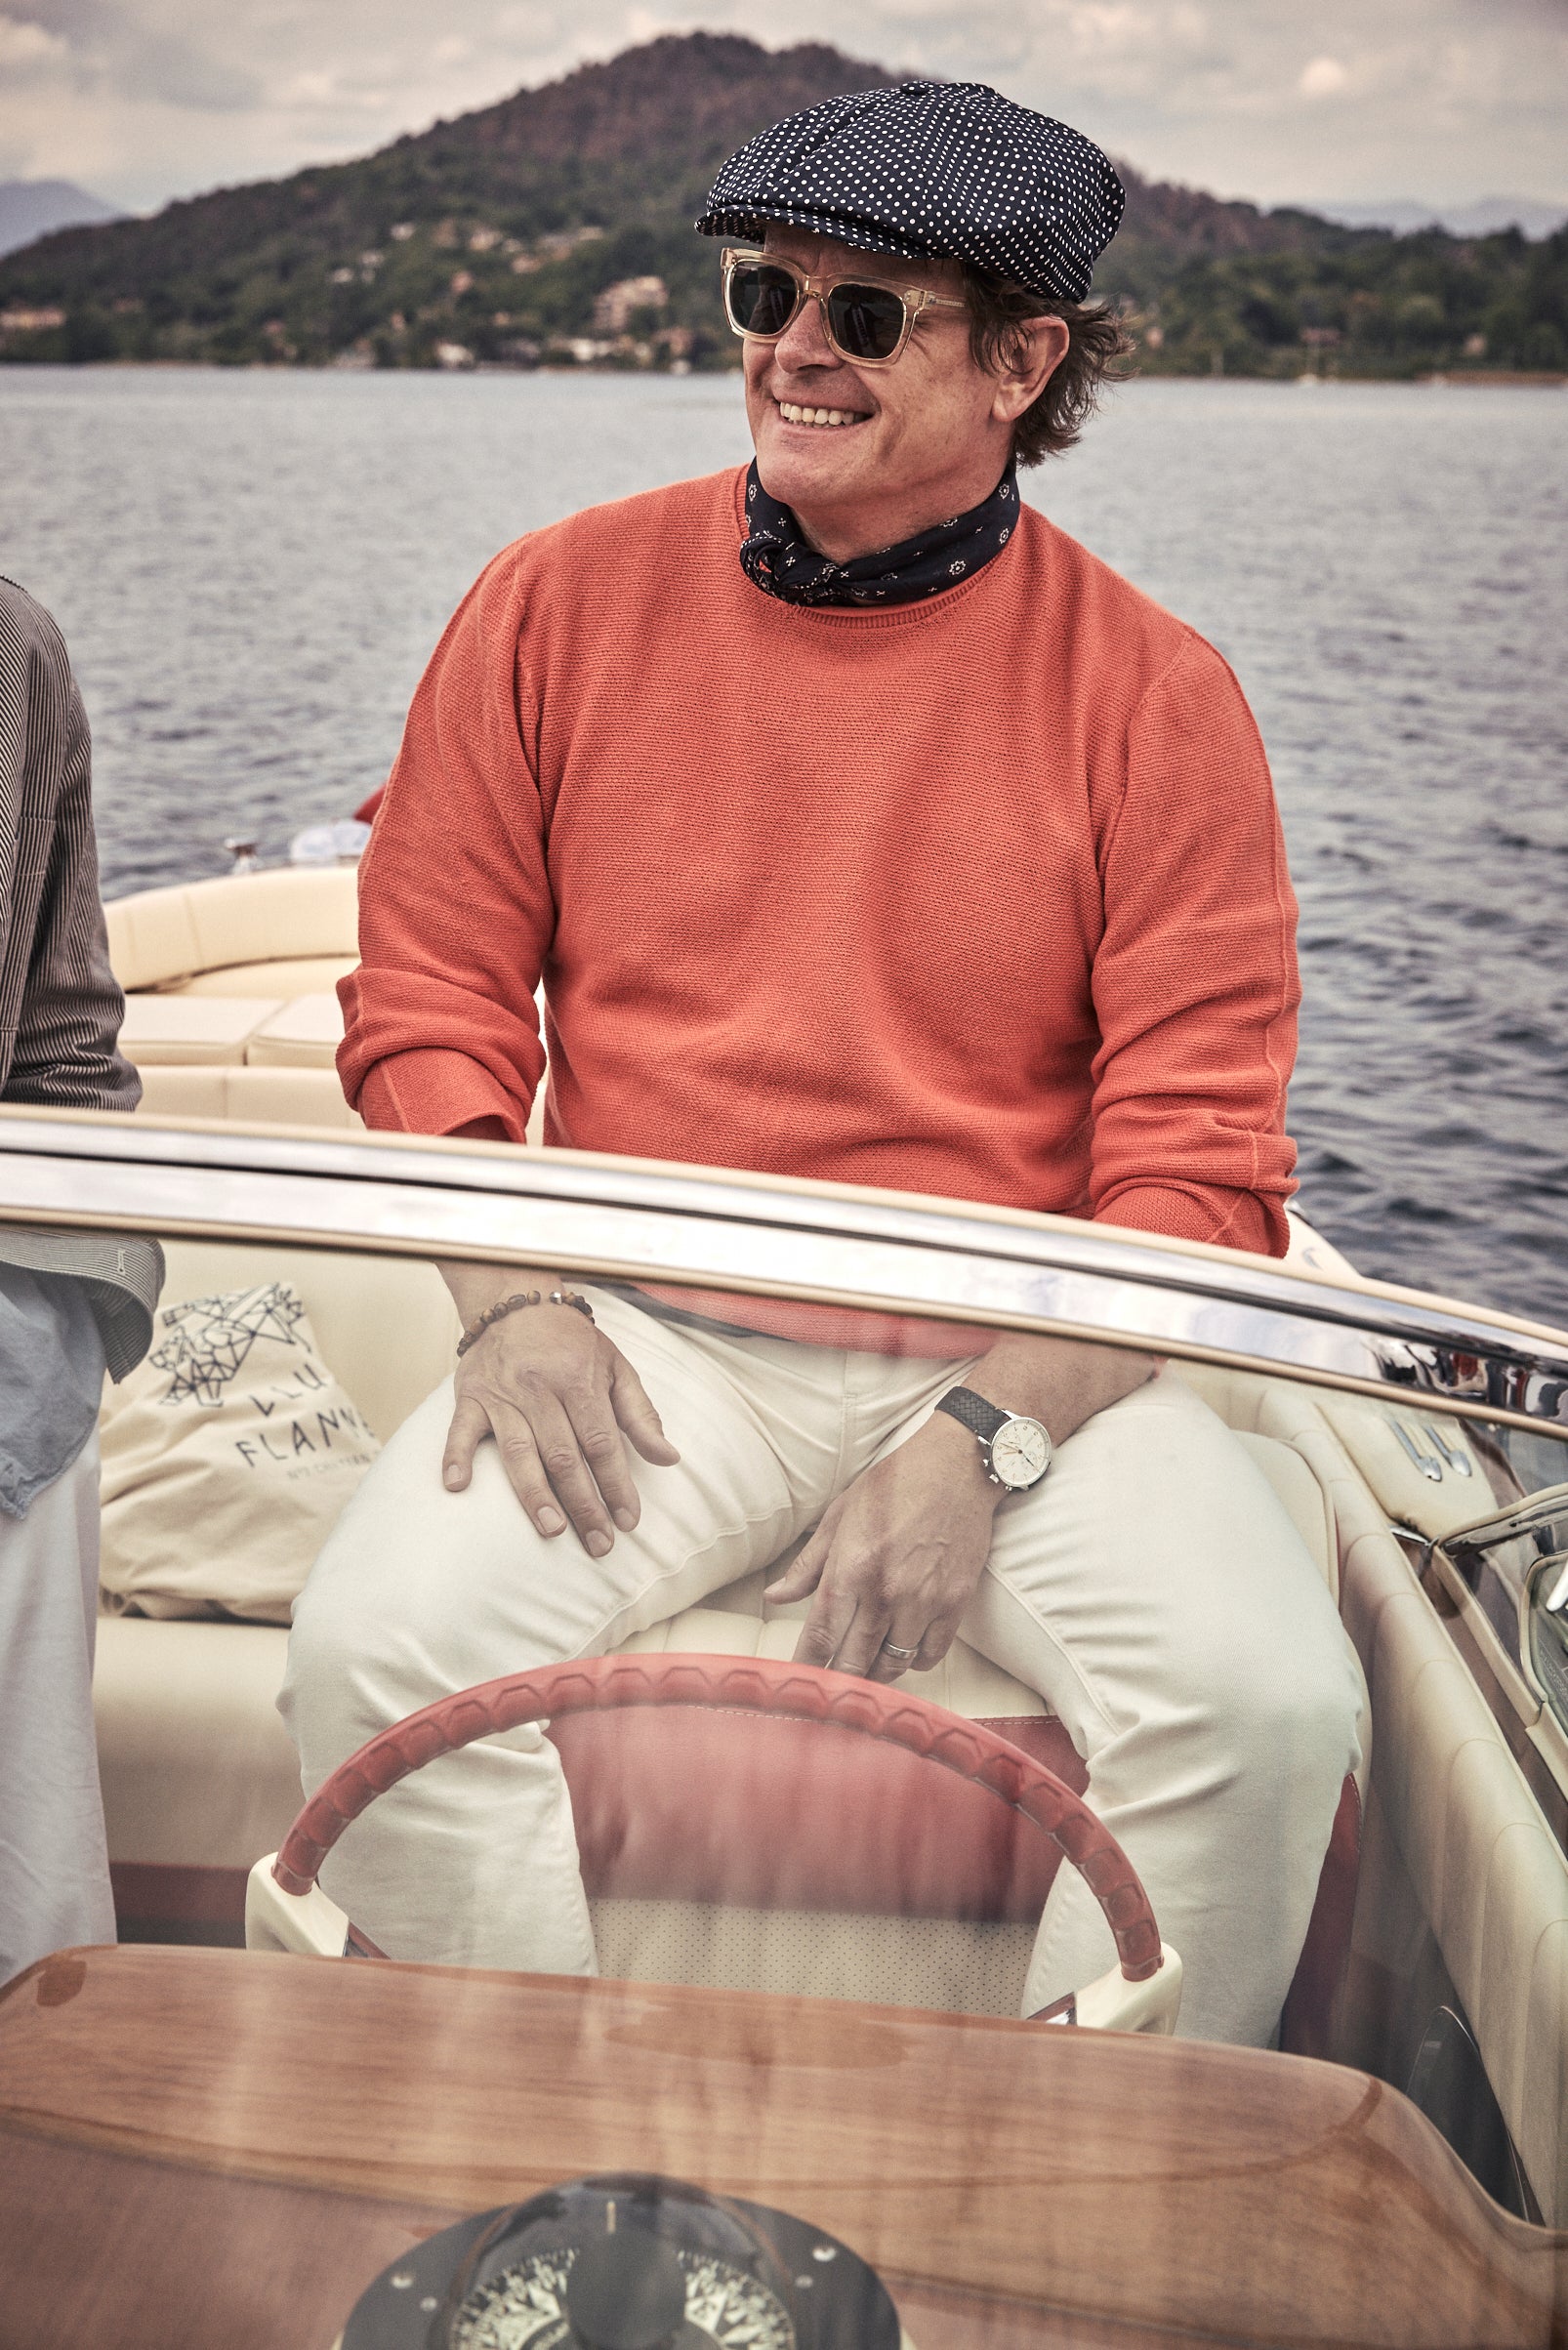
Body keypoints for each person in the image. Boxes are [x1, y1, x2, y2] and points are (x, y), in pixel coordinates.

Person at [287, 79, 1364, 2044]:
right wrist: (513, 1294)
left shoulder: (1156, 698)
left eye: (865, 315)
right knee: (378, 1650)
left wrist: (980, 1437)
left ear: (1020, 364)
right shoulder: (550, 601)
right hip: (645, 1331)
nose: (790, 345)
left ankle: (1080, 2212)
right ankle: (556, 2172)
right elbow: (428, 999)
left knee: (1270, 1706)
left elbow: (1194, 1179)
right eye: (760, 291)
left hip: (1006, 1344)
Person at [0, 578, 163, 1983]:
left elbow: (64, 1042)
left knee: (31, 1923)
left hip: (5, 1319)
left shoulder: (12, 648)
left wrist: (61, 1313)